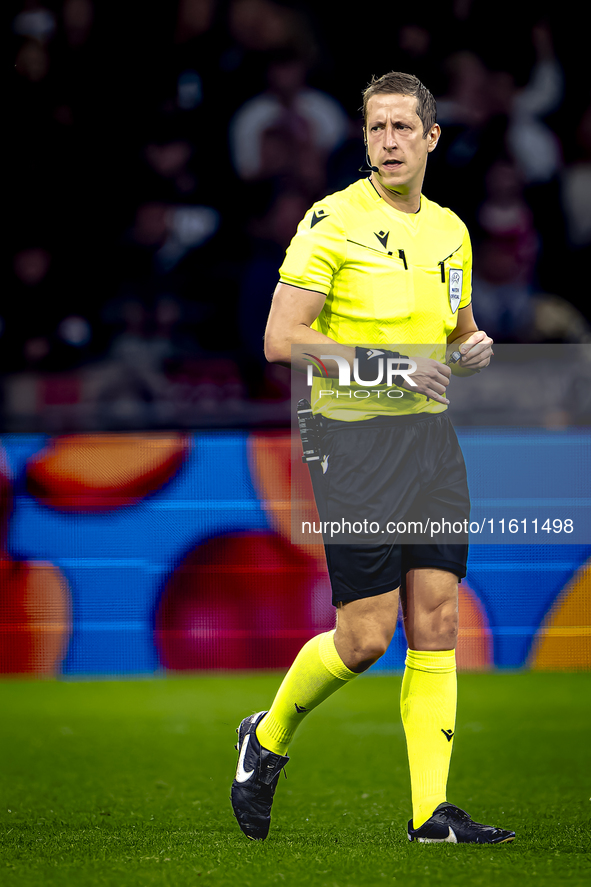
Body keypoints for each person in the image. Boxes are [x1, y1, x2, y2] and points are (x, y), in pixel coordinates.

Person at [231, 71, 515, 845]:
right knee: (364, 636)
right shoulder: (330, 221)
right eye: (375, 129)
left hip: (427, 437)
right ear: (363, 139)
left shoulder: (450, 230)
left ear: (430, 138)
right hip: (353, 440)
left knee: (438, 615)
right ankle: (267, 734)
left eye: (401, 128)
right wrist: (388, 367)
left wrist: (471, 343)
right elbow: (279, 339)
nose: (386, 142)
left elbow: (455, 326)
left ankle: (431, 812)